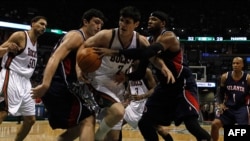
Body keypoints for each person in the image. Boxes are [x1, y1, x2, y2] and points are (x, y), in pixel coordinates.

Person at [95, 10, 211, 141]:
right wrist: (127, 77)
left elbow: (146, 52)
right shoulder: (149, 40)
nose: (150, 21)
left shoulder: (169, 37)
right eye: (149, 19)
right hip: (164, 88)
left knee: (191, 125)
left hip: (182, 85)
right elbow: (140, 72)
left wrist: (115, 52)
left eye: (154, 19)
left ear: (163, 23)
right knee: (145, 123)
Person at [30, 9, 105, 141]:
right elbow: (55, 57)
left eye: (101, 24)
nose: (98, 26)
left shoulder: (86, 42)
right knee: (88, 119)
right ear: (85, 22)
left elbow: (76, 64)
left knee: (78, 126)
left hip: (61, 86)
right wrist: (45, 84)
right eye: (96, 22)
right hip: (57, 85)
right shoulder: (77, 36)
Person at [79, 6, 151, 141]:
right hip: (98, 80)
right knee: (119, 111)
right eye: (121, 20)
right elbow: (84, 46)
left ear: (136, 24)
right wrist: (79, 70)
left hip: (117, 85)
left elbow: (151, 58)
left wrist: (164, 67)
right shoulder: (107, 35)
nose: (123, 24)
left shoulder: (140, 42)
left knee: (113, 137)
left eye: (127, 22)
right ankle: (97, 137)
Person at [0, 16, 47, 141]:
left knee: (31, 119)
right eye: (41, 24)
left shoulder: (36, 43)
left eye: (45, 26)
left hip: (26, 83)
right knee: (2, 112)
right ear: (32, 23)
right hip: (11, 76)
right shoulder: (20, 36)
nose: (44, 27)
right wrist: (6, 49)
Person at [118, 60, 173, 141]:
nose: (132, 61)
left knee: (159, 129)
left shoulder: (147, 71)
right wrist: (127, 98)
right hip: (134, 105)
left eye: (135, 59)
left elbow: (154, 88)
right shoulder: (128, 71)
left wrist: (142, 96)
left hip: (146, 104)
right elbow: (130, 86)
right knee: (118, 123)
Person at [210, 57, 250, 141]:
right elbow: (220, 93)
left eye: (237, 63)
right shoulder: (225, 76)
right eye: (233, 63)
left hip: (241, 108)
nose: (235, 65)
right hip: (228, 107)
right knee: (214, 124)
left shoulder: (248, 78)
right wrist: (220, 103)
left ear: (242, 65)